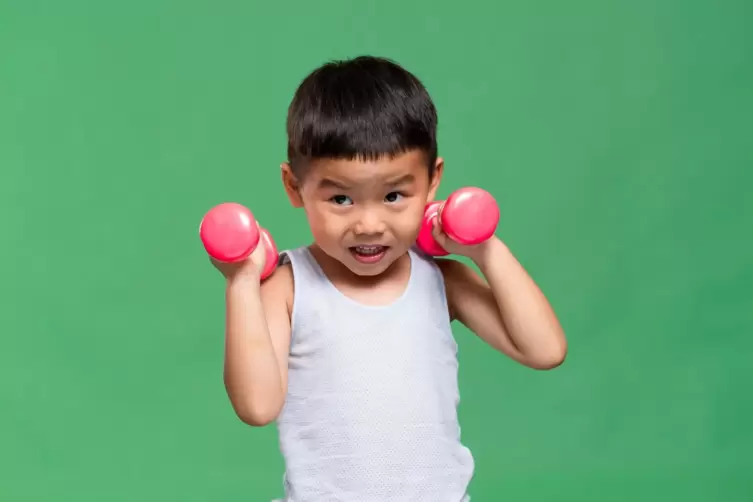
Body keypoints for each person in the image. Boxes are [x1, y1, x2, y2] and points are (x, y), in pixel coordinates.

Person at [211, 55, 567, 501]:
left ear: (433, 181)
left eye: (394, 196)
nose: (368, 224)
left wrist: (484, 247)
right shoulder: (289, 287)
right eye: (341, 199)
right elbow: (257, 406)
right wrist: (241, 281)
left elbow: (545, 350)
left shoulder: (441, 279)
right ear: (293, 187)